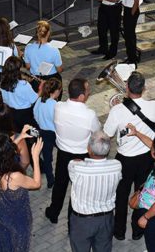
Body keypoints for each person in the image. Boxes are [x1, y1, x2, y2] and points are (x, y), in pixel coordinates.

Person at [102, 71, 155, 240]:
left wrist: (114, 110)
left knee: (121, 196)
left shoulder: (117, 110)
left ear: (127, 87)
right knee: (142, 193)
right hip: (146, 157)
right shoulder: (154, 106)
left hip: (124, 159)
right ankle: (137, 231)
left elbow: (107, 134)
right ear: (144, 88)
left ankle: (119, 231)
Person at [46, 78, 101, 224]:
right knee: (78, 188)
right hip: (81, 156)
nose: (89, 92)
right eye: (88, 90)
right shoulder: (89, 114)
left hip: (63, 153)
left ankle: (54, 213)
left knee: (60, 185)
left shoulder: (58, 106)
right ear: (82, 96)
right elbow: (97, 132)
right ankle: (72, 220)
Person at [0, 134, 43, 252]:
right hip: (18, 220)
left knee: (6, 247)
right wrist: (35, 157)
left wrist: (20, 137)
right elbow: (37, 184)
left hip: (2, 217)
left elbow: (3, 152)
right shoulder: (14, 177)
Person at [67, 131, 122, 252]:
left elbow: (74, 162)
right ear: (108, 150)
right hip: (106, 219)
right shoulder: (117, 166)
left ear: (89, 149)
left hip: (82, 221)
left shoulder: (76, 167)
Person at [33, 78, 62, 188]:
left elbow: (35, 114)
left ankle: (50, 180)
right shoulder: (55, 104)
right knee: (63, 152)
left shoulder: (39, 100)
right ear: (55, 91)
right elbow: (57, 120)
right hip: (54, 133)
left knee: (47, 158)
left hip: (42, 133)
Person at [0, 56, 38, 132]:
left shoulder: (3, 81)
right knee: (31, 132)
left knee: (16, 131)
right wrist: (41, 89)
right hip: (24, 114)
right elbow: (34, 99)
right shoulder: (24, 85)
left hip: (10, 112)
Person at [121, 0, 144, 64]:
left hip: (131, 10)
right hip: (128, 9)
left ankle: (133, 58)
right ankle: (131, 54)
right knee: (128, 35)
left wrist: (131, 13)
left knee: (130, 36)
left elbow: (136, 0)